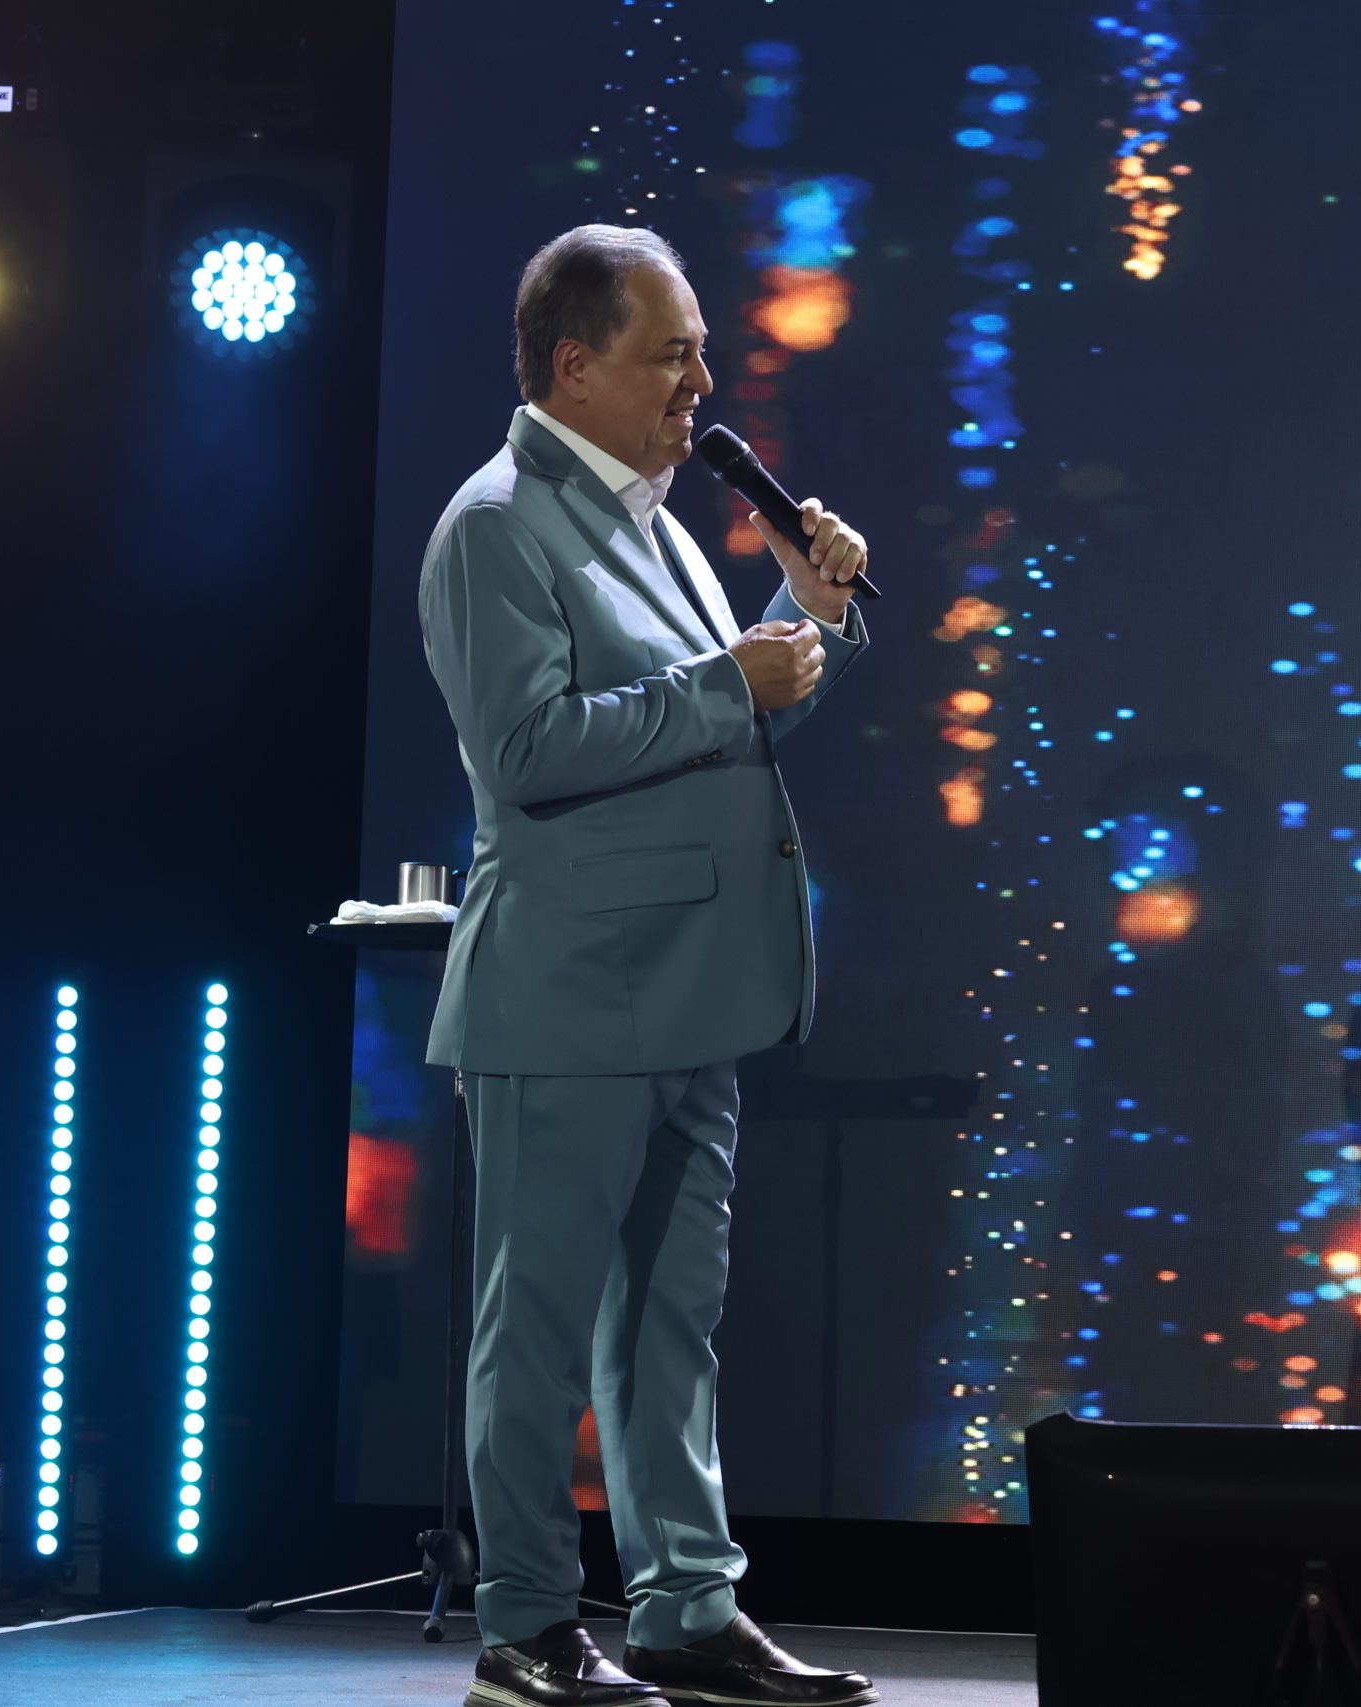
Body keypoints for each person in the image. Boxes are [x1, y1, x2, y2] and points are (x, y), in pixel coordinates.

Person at [420, 223, 878, 1707]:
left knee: (670, 1330)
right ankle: (526, 1627)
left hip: (693, 991)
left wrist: (804, 616)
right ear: (574, 365)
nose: (701, 382)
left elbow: (718, 727)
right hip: (569, 994)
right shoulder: (497, 526)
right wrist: (727, 680)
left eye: (701, 353)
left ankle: (687, 1607)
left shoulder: (664, 523)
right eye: (670, 354)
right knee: (539, 1332)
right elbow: (529, 751)